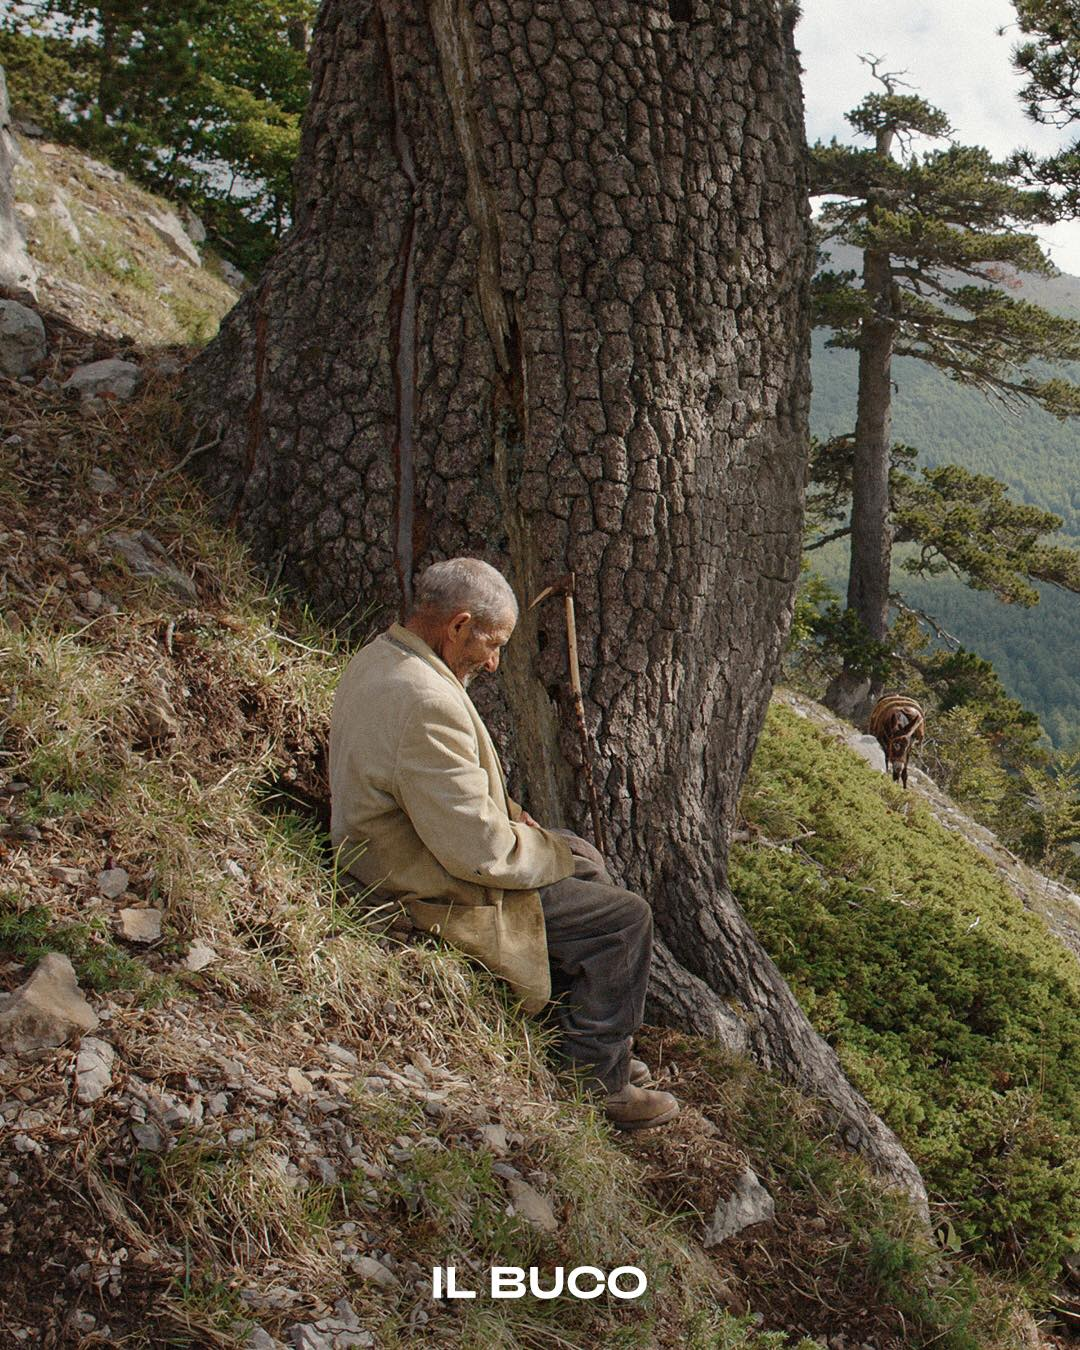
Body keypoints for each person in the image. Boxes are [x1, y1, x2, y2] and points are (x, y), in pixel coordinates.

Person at [329, 557, 679, 1131]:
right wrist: (549, 850)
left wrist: (528, 826)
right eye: (491, 644)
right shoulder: (426, 700)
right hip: (419, 881)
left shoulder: (382, 657)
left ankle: (592, 1037)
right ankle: (594, 1081)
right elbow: (481, 853)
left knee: (585, 862)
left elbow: (441, 788)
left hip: (399, 846)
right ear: (459, 625)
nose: (493, 662)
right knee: (623, 920)